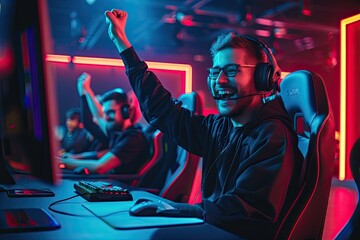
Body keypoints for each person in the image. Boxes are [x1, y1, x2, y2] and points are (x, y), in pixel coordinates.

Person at [104, 9, 304, 239]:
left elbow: (245, 211)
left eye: (231, 71)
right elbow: (163, 111)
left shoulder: (272, 135)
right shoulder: (221, 128)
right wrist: (123, 45)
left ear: (262, 78)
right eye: (215, 72)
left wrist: (178, 210)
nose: (219, 81)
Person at [60, 80, 151, 175]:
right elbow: (98, 116)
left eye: (110, 112)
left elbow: (100, 167)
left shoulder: (133, 138)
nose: (106, 117)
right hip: (112, 182)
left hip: (123, 185)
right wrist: (85, 91)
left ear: (126, 112)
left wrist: (62, 162)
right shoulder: (117, 131)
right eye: (105, 113)